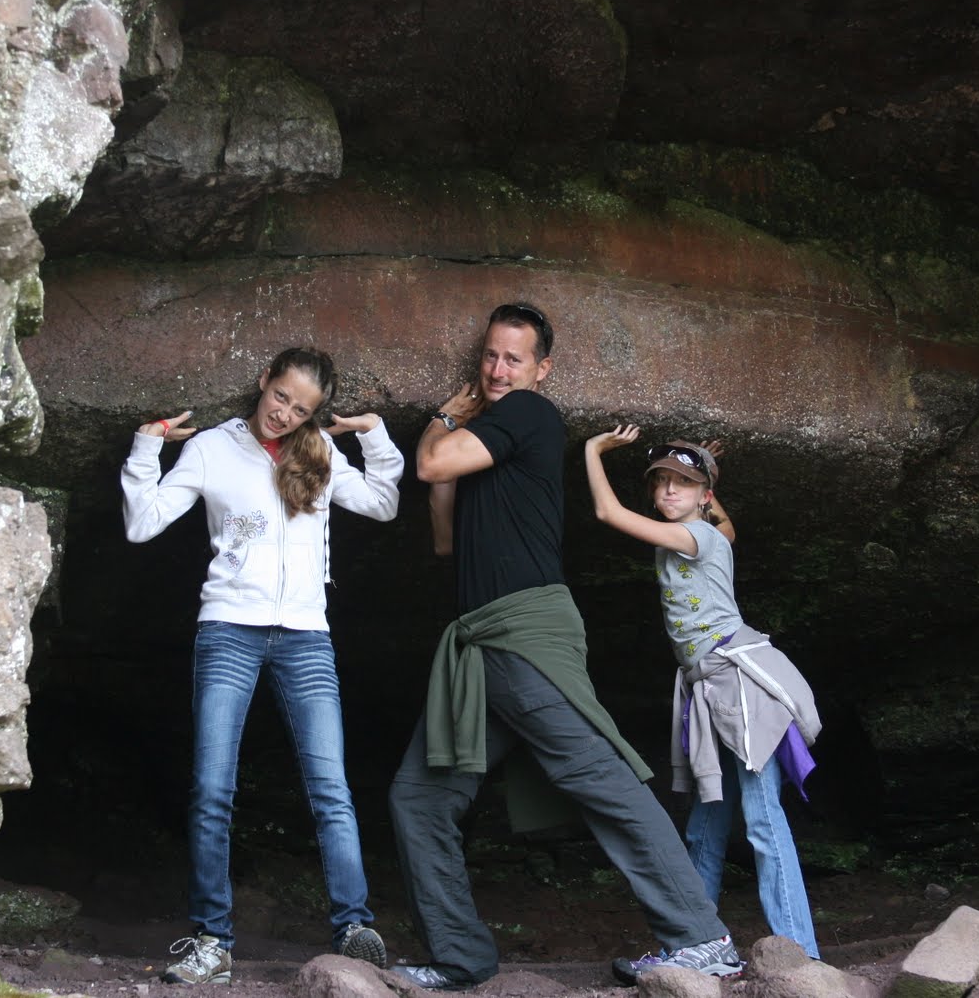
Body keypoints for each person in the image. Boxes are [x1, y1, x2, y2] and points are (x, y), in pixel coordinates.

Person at [386, 302, 741, 991]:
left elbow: (429, 462)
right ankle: (460, 956)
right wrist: (454, 442)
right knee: (420, 797)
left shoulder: (529, 413)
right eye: (490, 355)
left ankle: (702, 938)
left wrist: (444, 418)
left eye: (513, 358)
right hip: (477, 646)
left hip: (525, 632)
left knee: (599, 775)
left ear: (541, 369)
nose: (497, 370)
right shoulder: (494, 439)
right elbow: (445, 538)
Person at [121, 346, 404, 986]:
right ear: (263, 382)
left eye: (301, 408)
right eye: (280, 397)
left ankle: (353, 929)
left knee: (331, 788)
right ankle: (212, 941)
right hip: (228, 630)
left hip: (306, 636)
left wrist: (375, 435)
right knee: (212, 788)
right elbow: (142, 523)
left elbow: (383, 503)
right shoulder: (211, 450)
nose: (284, 414)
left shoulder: (319, 452)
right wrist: (146, 447)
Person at [584, 427, 822, 967]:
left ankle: (802, 959)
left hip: (741, 685)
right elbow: (729, 526)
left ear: (703, 497)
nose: (670, 490)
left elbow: (607, 512)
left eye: (684, 484)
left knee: (763, 820)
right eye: (662, 482)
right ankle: (693, 945)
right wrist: (704, 473)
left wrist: (592, 451)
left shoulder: (696, 537)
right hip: (706, 688)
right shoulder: (711, 531)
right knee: (705, 825)